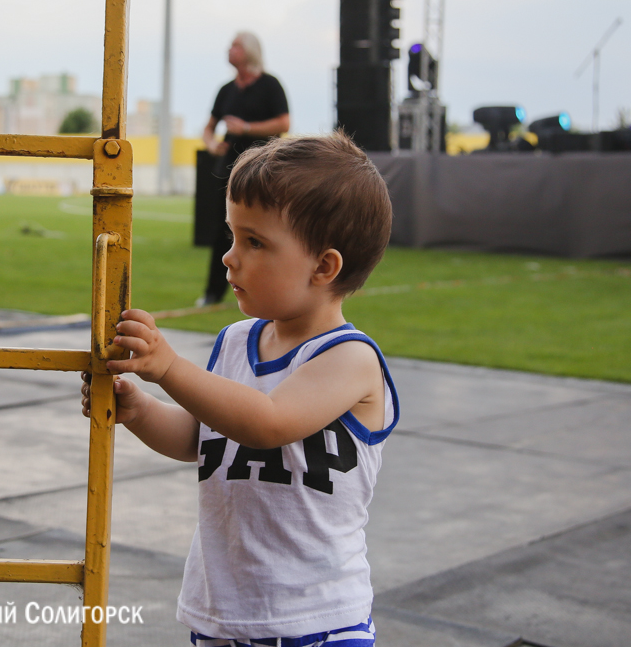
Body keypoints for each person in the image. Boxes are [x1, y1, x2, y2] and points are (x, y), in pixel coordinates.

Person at [82, 132, 398, 646]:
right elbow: (199, 437)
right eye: (233, 237)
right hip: (223, 612)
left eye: (255, 243)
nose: (230, 258)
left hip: (317, 620)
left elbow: (266, 423)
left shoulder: (350, 359)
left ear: (324, 266)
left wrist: (167, 367)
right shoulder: (234, 342)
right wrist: (140, 409)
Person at [198, 32, 290, 307]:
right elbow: (208, 128)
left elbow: (284, 123)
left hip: (262, 170)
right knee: (221, 231)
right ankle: (213, 293)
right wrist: (212, 144)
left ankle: (269, 288)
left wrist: (247, 128)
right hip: (227, 170)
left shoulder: (270, 85)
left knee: (264, 230)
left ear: (249, 51)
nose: (230, 49)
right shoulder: (226, 89)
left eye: (236, 45)